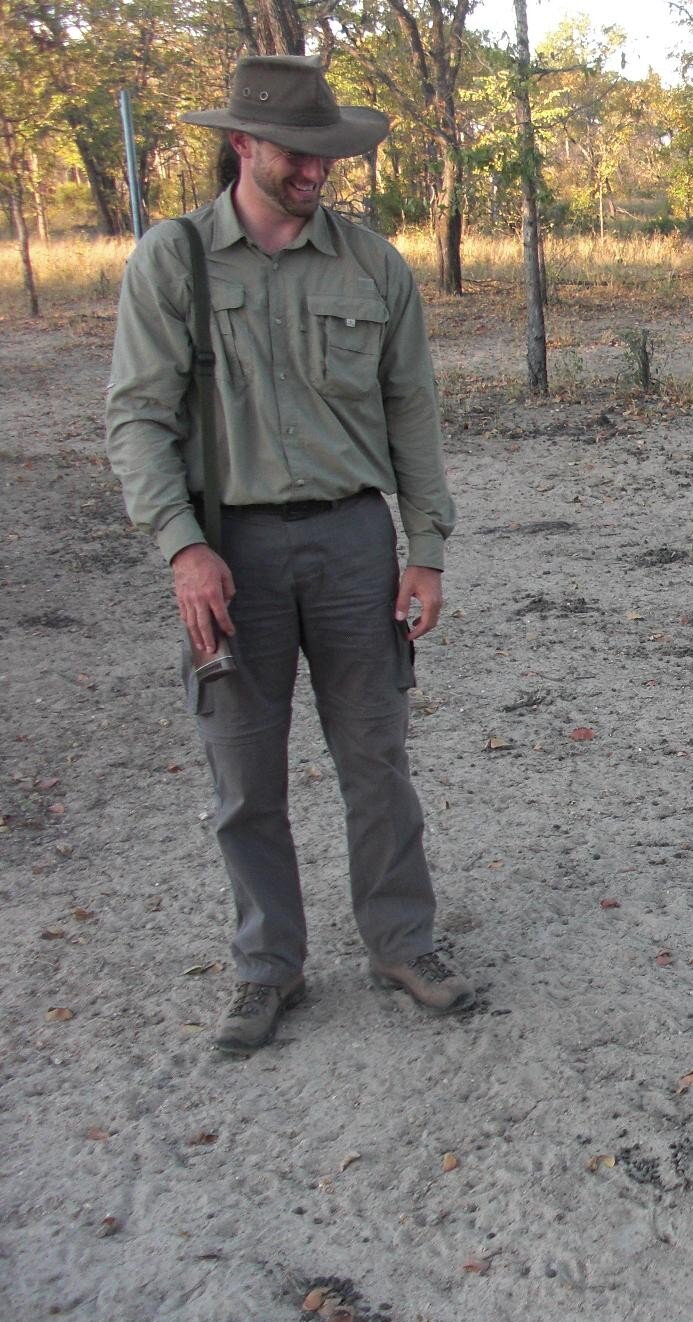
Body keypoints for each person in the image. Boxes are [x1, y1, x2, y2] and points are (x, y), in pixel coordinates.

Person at [105, 55, 473, 1054]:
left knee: (377, 760)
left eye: (328, 155)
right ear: (242, 144)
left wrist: (424, 548)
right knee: (243, 774)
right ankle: (269, 965)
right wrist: (183, 549)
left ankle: (403, 941)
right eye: (296, 154)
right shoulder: (174, 261)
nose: (317, 171)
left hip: (356, 539)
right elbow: (137, 419)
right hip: (230, 550)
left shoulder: (373, 266)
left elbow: (413, 411)